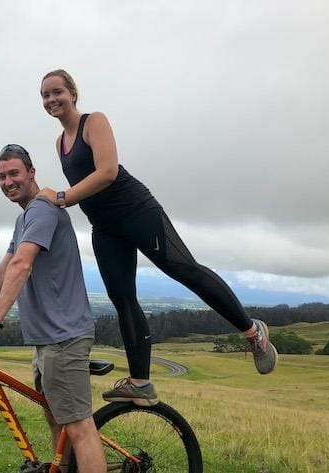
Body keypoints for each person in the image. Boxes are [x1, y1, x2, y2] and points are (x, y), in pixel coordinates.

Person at [37, 69, 278, 406]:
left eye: (57, 92)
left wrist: (62, 197)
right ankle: (140, 382)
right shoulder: (59, 143)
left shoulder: (95, 122)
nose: (51, 100)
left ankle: (253, 333)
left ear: (73, 93)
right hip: (104, 226)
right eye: (45, 95)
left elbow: (106, 172)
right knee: (122, 298)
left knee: (183, 269)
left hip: (135, 210)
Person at [0, 144, 106, 473]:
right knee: (57, 419)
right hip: (48, 338)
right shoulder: (26, 216)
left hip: (64, 337)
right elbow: (4, 269)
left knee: (81, 429)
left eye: (14, 173)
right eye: (1, 177)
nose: (8, 182)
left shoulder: (42, 210)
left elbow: (22, 265)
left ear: (31, 173)